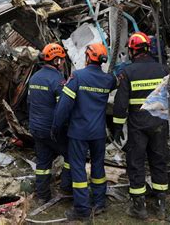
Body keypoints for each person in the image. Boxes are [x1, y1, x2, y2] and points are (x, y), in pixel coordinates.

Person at [52, 43, 117, 221]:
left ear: (88, 57)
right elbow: (116, 80)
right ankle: (99, 203)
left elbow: (64, 106)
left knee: (78, 169)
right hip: (98, 133)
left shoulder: (78, 77)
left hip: (79, 133)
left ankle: (82, 209)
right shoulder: (108, 80)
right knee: (98, 166)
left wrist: (56, 127)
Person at [112, 32, 170, 220]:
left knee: (136, 163)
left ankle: (139, 207)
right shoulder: (164, 70)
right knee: (159, 161)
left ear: (132, 51)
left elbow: (121, 104)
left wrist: (118, 127)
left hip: (138, 127)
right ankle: (161, 205)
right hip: (160, 124)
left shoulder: (128, 72)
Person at [28, 43, 71, 203]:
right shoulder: (58, 81)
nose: (62, 63)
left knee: (43, 163)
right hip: (52, 130)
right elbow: (63, 109)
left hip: (36, 129)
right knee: (70, 156)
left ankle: (42, 196)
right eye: (61, 60)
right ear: (57, 61)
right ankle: (66, 188)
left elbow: (29, 104)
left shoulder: (34, 78)